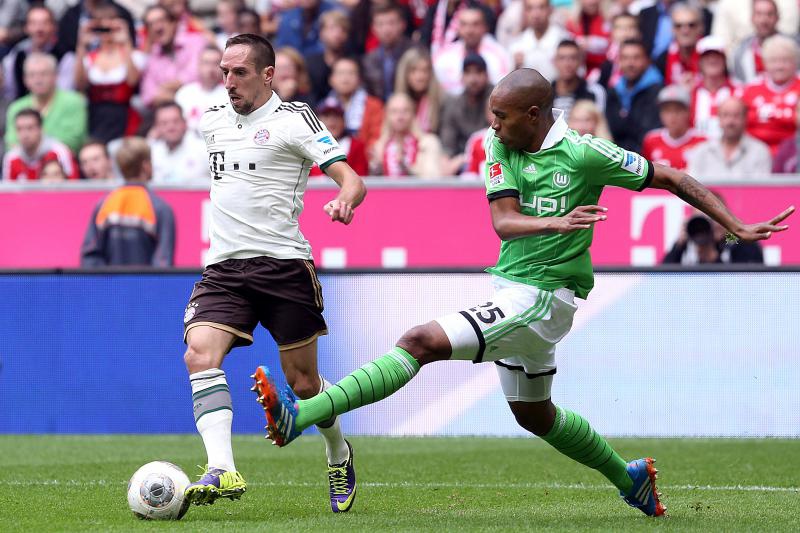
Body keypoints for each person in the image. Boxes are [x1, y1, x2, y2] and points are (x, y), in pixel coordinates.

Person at [256, 68, 794, 519]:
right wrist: (557, 222)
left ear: (534, 116)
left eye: (502, 115)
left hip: (543, 297)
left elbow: (669, 176)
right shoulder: (500, 143)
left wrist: (736, 225)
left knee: (418, 341)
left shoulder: (585, 155)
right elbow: (504, 222)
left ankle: (300, 418)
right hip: (512, 288)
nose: (491, 125)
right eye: (492, 114)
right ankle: (629, 479)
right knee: (534, 416)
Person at [181, 34, 367, 513]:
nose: (228, 82)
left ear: (268, 74)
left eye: (239, 72)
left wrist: (345, 197)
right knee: (199, 355)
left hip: (283, 265)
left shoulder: (294, 120)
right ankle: (222, 468)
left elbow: (351, 177)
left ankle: (337, 451)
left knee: (304, 384)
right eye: (224, 72)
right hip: (223, 267)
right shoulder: (212, 121)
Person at [80, 136, 175, 267]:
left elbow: (90, 256)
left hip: (109, 287)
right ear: (145, 165)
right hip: (145, 287)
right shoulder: (160, 208)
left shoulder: (103, 205)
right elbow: (163, 262)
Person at [74, 2, 147, 143]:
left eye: (110, 27)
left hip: (123, 118)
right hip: (95, 117)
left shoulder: (133, 56)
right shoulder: (90, 58)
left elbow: (132, 81)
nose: (106, 33)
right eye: (101, 27)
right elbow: (80, 85)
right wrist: (81, 45)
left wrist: (126, 42)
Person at [5, 53, 88, 154]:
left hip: (63, 164)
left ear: (56, 76)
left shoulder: (73, 102)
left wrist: (33, 147)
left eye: (43, 74)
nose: (38, 80)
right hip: (25, 165)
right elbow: (11, 142)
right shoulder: (16, 107)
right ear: (25, 80)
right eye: (32, 75)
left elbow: (72, 141)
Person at [735, 34, 800, 155]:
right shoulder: (750, 89)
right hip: (753, 153)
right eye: (774, 61)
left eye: (785, 60)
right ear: (765, 63)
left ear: (795, 63)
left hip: (793, 154)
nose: (779, 66)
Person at [140, 4, 208, 108]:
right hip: (173, 115)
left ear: (173, 23)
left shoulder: (196, 42)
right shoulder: (151, 58)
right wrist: (175, 96)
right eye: (150, 24)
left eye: (161, 21)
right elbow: (148, 96)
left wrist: (168, 87)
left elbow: (198, 74)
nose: (157, 28)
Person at [433, 6, 512, 95]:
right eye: (464, 24)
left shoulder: (499, 56)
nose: (469, 30)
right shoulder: (443, 57)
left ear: (484, 27)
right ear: (458, 29)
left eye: (475, 24)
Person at [687, 97, 772, 179]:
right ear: (719, 119)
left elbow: (760, 191)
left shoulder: (759, 152)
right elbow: (691, 189)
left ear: (745, 119)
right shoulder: (701, 151)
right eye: (726, 115)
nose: (730, 121)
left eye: (736, 116)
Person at [3, 5, 75, 101]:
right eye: (34, 23)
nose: (39, 29)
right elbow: (9, 92)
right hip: (23, 111)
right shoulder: (17, 55)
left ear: (54, 27)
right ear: (26, 28)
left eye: (45, 23)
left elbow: (65, 92)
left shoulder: (65, 56)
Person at [439, 53, 493, 174]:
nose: (473, 79)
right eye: (468, 73)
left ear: (487, 76)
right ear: (462, 77)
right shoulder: (454, 105)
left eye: (478, 72)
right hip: (463, 164)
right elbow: (447, 147)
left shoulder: (496, 98)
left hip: (493, 159)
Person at [605, 39, 663, 152]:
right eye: (625, 58)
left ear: (647, 60)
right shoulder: (613, 91)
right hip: (616, 159)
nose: (630, 63)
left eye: (636, 58)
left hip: (645, 161)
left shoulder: (657, 92)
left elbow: (648, 134)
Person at [369, 92, 445, 178]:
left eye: (405, 111)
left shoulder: (428, 143)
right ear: (387, 115)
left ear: (413, 114)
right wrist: (377, 168)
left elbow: (433, 179)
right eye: (394, 111)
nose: (400, 117)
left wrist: (408, 169)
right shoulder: (379, 147)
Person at [2, 108, 78, 181]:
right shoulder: (10, 158)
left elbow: (73, 186)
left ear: (41, 129)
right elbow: (8, 192)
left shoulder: (59, 151)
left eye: (30, 128)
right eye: (19, 129)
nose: (24, 134)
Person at [663, 210, 764, 265]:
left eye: (714, 218)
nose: (711, 225)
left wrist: (712, 258)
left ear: (727, 218)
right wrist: (678, 247)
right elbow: (660, 281)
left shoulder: (738, 241)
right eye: (703, 220)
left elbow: (746, 286)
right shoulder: (688, 244)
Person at [641, 85, 706, 170]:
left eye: (678, 110)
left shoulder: (702, 141)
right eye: (667, 110)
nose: (672, 116)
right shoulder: (651, 140)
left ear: (688, 112)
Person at [326, 56, 384, 149]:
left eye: (351, 73)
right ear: (331, 79)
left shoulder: (374, 105)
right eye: (340, 73)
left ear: (359, 79)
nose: (345, 78)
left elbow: (376, 138)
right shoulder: (324, 107)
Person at [361, 3, 413, 102]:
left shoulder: (415, 53)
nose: (386, 29)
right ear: (373, 28)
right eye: (380, 24)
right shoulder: (368, 60)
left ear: (403, 25)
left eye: (391, 23)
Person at [508, 0, 567, 82]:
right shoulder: (517, 44)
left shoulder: (564, 40)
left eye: (541, 7)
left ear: (550, 9)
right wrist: (515, 68)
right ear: (524, 12)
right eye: (530, 8)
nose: (536, 14)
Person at [175, 46, 227, 138]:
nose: (211, 69)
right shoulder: (184, 93)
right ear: (198, 65)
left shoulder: (229, 96)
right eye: (206, 63)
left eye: (216, 64)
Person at [149, 101, 208, 183]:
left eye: (175, 121)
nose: (170, 127)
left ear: (185, 123)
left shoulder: (204, 150)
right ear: (157, 127)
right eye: (164, 123)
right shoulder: (151, 153)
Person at [309, 98, 369, 177]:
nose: (332, 121)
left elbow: (362, 178)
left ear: (344, 121)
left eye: (336, 116)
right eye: (326, 116)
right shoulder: (308, 146)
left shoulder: (356, 146)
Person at [691, 36, 735, 139]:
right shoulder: (691, 94)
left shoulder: (738, 92)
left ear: (724, 60)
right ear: (699, 61)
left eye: (717, 55)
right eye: (707, 56)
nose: (712, 60)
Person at [305, 10, 351, 103]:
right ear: (321, 33)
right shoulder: (310, 64)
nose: (337, 34)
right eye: (332, 29)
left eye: (342, 29)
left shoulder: (353, 63)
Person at [551, 39, 606, 117]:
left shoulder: (595, 91)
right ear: (554, 61)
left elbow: (599, 123)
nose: (567, 64)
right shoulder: (546, 93)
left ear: (580, 61)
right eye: (562, 58)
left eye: (573, 58)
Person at [731, 0, 782, 84]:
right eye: (759, 14)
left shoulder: (793, 48)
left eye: (769, 14)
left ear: (777, 17)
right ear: (752, 18)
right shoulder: (741, 52)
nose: (764, 20)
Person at [394, 46, 442, 133]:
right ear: (405, 74)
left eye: (425, 71)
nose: (420, 77)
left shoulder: (442, 101)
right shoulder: (395, 103)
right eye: (413, 71)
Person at [655, 2, 703, 87]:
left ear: (701, 27)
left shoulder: (711, 55)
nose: (685, 31)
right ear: (672, 29)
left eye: (691, 25)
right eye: (678, 26)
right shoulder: (662, 60)